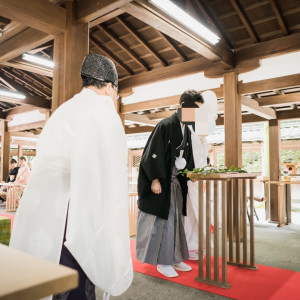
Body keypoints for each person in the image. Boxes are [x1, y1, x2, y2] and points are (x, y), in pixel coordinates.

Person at [10, 54, 133, 299]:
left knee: (43, 274)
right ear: (109, 86)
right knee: (73, 276)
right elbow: (108, 175)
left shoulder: (64, 109)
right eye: (116, 92)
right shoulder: (103, 111)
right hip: (69, 207)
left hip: (38, 205)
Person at [136, 90, 204, 278]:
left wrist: (190, 173)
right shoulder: (165, 124)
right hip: (162, 181)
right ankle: (163, 262)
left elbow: (187, 159)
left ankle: (175, 257)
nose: (195, 114)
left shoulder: (186, 130)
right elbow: (151, 154)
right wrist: (155, 179)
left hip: (175, 182)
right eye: (194, 109)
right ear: (183, 106)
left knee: (177, 221)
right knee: (164, 222)